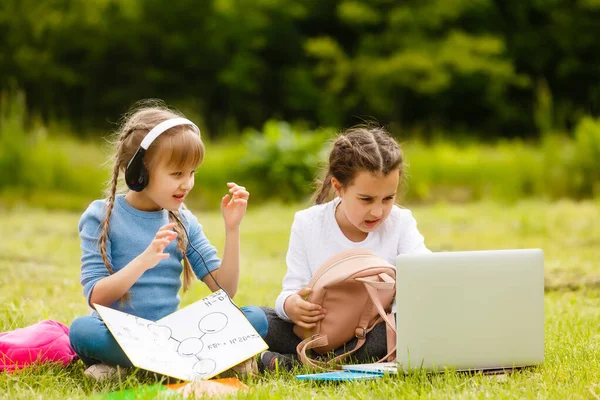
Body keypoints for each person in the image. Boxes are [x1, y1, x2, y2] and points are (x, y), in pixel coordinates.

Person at [68, 101, 267, 380]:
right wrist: (143, 261)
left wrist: (232, 229)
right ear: (138, 174)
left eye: (192, 173)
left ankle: (129, 367)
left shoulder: (183, 220)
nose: (187, 184)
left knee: (255, 317)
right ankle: (194, 362)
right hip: (122, 333)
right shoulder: (101, 216)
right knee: (81, 331)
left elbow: (225, 291)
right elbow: (97, 296)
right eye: (177, 174)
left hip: (171, 334)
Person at [259, 125, 430, 371]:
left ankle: (295, 363)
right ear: (338, 187)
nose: (378, 211)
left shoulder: (401, 223)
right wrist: (290, 305)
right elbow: (292, 289)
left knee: (401, 330)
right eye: (366, 199)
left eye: (388, 198)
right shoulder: (308, 223)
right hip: (317, 334)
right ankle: (321, 359)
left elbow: (426, 281)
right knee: (251, 319)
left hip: (376, 335)